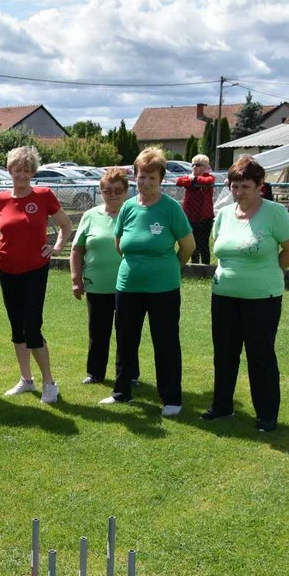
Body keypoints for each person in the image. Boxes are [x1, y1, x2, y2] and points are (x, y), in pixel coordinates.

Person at [203, 155, 289, 433]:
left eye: (245, 186)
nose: (238, 192)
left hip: (263, 299)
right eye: (234, 186)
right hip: (224, 295)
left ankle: (267, 415)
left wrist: (269, 271)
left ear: (260, 185)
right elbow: (220, 250)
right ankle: (222, 406)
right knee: (224, 353)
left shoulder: (275, 213)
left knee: (260, 356)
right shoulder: (223, 215)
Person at [102, 147, 195, 416]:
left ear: (161, 180)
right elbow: (120, 245)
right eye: (142, 177)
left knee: (165, 342)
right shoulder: (128, 208)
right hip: (128, 286)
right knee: (126, 340)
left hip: (163, 288)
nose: (146, 183)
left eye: (152, 178)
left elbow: (188, 246)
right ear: (135, 177)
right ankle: (121, 392)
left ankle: (171, 399)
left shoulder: (171, 208)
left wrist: (171, 267)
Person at [0, 145, 71, 404]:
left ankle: (49, 383)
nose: (21, 175)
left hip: (35, 270)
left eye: (26, 170)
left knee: (32, 327)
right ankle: (26, 380)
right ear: (9, 170)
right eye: (17, 170)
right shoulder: (0, 199)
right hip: (7, 269)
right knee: (16, 327)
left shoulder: (44, 195)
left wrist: (56, 248)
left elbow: (66, 225)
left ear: (33, 172)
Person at [71, 168, 133, 385]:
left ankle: (129, 374)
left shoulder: (133, 213)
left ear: (126, 191)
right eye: (107, 190)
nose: (113, 195)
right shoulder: (90, 216)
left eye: (118, 190)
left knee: (127, 333)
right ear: (101, 191)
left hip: (128, 285)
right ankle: (95, 373)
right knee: (98, 332)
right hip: (97, 284)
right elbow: (77, 249)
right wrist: (76, 279)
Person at [176, 154, 216, 263]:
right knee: (193, 243)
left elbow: (208, 181)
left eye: (198, 165)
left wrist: (194, 179)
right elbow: (179, 181)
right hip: (190, 216)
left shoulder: (210, 177)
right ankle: (195, 265)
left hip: (205, 216)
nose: (194, 167)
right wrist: (191, 180)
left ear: (205, 167)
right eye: (193, 165)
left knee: (203, 242)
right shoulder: (188, 177)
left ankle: (206, 265)